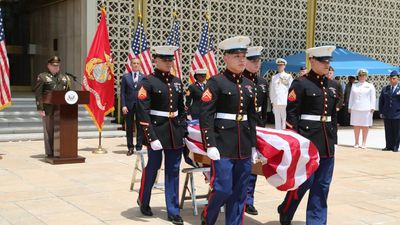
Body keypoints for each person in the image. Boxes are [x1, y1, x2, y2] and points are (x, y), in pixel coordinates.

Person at [200, 36, 257, 225]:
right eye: (237, 56)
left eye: (244, 56)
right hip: (222, 145)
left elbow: (252, 119)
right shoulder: (216, 82)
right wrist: (209, 144)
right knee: (223, 188)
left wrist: (254, 146)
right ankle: (208, 217)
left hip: (244, 145)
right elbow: (206, 115)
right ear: (225, 58)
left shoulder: (249, 85)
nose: (242, 60)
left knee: (240, 192)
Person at [278, 46, 338, 225]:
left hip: (327, 141)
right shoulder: (301, 83)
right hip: (308, 140)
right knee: (305, 181)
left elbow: (333, 115)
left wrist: (334, 137)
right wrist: (295, 140)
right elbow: (292, 114)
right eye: (323, 61)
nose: (327, 65)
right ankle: (286, 208)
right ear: (312, 61)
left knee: (322, 185)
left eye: (328, 61)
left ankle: (316, 222)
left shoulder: (334, 86)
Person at [136, 46, 187, 225]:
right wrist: (150, 137)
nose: (168, 63)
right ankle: (144, 199)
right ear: (155, 60)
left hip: (174, 132)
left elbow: (182, 108)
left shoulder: (177, 81)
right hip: (157, 131)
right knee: (153, 167)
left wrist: (182, 128)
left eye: (170, 60)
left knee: (173, 170)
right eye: (164, 60)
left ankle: (173, 210)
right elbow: (142, 112)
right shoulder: (148, 81)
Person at [242, 46, 268, 215]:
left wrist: (262, 128)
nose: (257, 64)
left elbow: (264, 109)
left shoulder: (263, 82)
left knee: (254, 166)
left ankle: (248, 200)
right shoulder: (240, 80)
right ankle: (239, 198)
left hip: (257, 126)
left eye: (258, 61)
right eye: (253, 61)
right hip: (242, 127)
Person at [34, 56, 72, 158]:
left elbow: (68, 94)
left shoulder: (65, 78)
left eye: (57, 66)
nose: (56, 67)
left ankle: (60, 150)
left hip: (61, 110)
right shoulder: (42, 77)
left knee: (61, 131)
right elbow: (38, 94)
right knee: (49, 131)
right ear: (49, 66)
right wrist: (40, 108)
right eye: (54, 65)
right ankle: (50, 152)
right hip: (48, 109)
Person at [120, 58, 144, 156]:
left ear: (140, 65)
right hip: (129, 106)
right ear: (131, 64)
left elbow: (146, 93)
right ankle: (130, 147)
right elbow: (122, 93)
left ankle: (139, 147)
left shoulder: (144, 77)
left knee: (140, 127)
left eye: (137, 63)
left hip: (140, 106)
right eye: (134, 63)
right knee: (129, 128)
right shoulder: (126, 77)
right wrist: (123, 105)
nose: (136, 65)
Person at [348, 68, 376, 149]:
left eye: (363, 75)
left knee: (365, 126)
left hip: (366, 108)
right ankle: (356, 142)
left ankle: (364, 142)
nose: (362, 77)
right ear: (358, 76)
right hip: (355, 108)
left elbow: (373, 97)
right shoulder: (354, 85)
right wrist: (349, 107)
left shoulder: (370, 85)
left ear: (366, 76)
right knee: (356, 125)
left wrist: (373, 107)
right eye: (360, 75)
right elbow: (351, 97)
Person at [379, 70, 400, 152]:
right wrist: (381, 112)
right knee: (388, 130)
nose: (392, 80)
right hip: (387, 113)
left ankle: (395, 146)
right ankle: (388, 145)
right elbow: (381, 101)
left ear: (398, 78)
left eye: (394, 78)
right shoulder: (385, 88)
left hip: (397, 113)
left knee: (397, 131)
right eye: (390, 78)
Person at [270, 58, 293, 129]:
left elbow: (291, 90)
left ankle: (283, 132)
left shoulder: (288, 76)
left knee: (284, 119)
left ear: (284, 66)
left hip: (284, 101)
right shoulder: (274, 77)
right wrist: (272, 101)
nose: (280, 67)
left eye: (281, 65)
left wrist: (290, 101)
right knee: (277, 119)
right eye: (279, 65)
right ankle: (277, 132)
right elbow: (272, 90)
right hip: (276, 101)